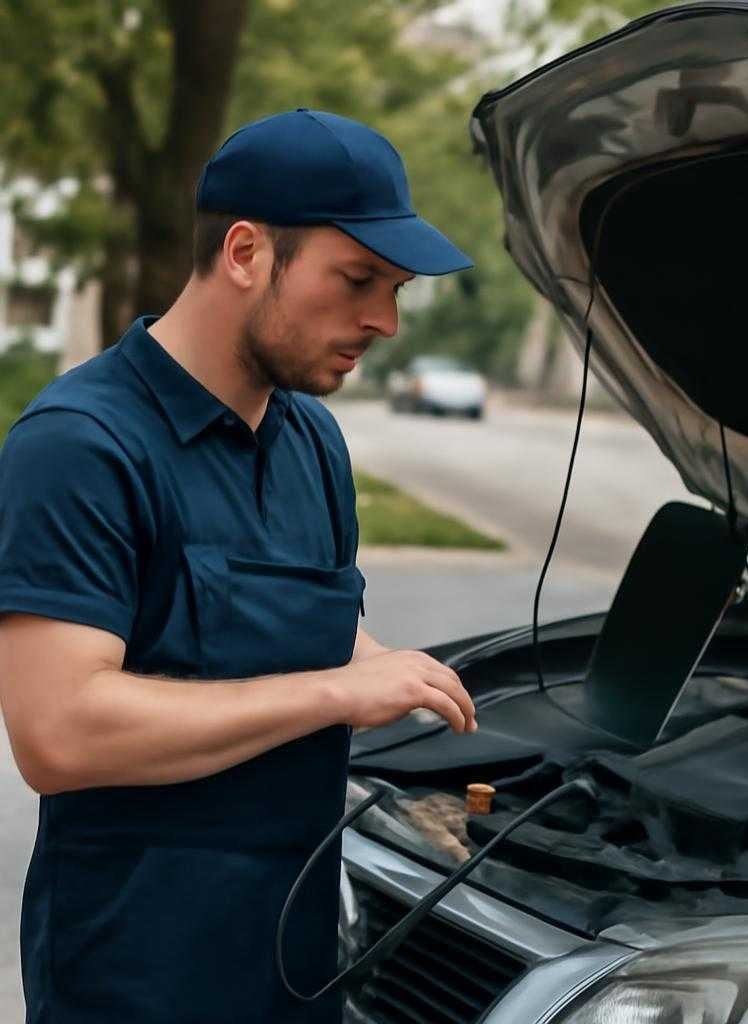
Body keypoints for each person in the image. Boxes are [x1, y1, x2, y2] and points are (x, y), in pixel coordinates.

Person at [0, 109, 478, 1023]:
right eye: (358, 280)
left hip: (297, 969)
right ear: (248, 252)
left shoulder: (312, 439)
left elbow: (286, 614)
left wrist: (386, 667)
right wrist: (339, 693)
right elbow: (59, 732)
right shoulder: (80, 445)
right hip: (135, 982)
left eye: (396, 288)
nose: (383, 320)